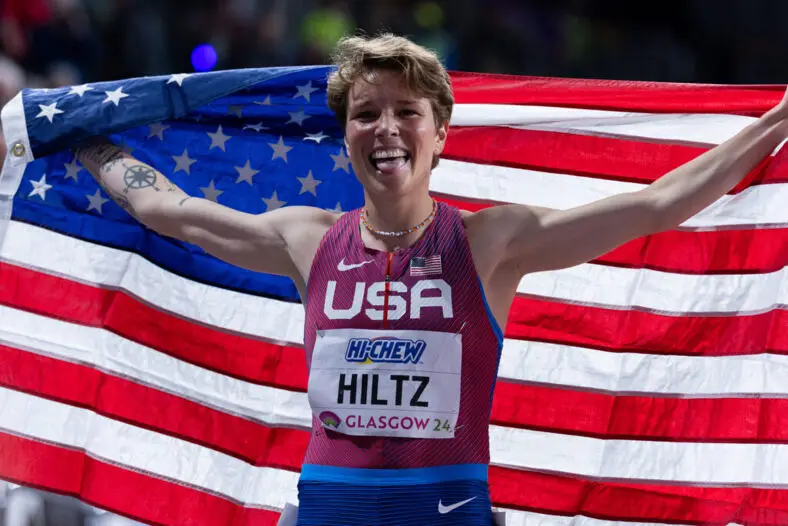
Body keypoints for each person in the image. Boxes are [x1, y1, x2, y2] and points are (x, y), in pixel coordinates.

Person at [75, 33, 788, 526]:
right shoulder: (307, 239)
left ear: (439, 134)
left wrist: (778, 122)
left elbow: (659, 203)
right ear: (345, 134)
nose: (386, 128)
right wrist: (80, 135)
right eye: (365, 114)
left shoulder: (489, 243)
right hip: (328, 510)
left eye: (406, 112)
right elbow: (161, 207)